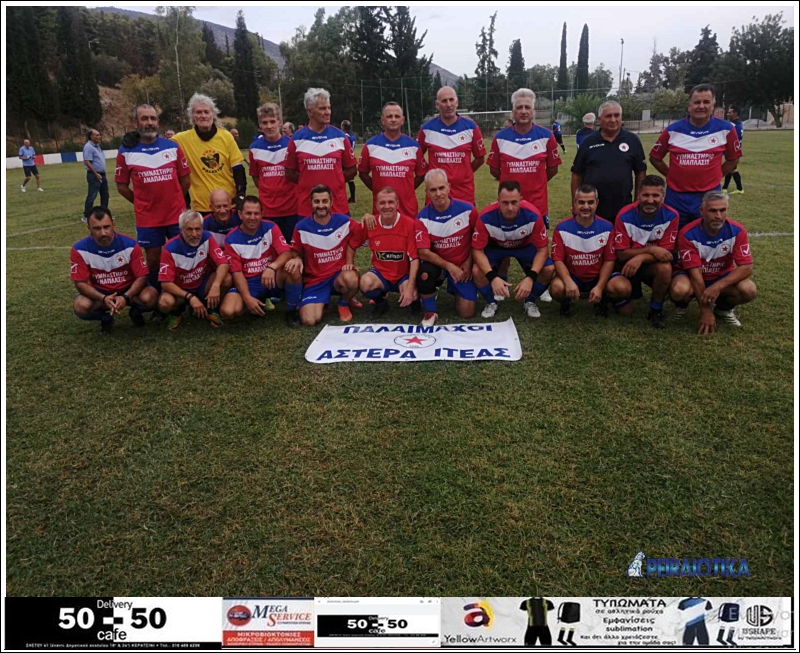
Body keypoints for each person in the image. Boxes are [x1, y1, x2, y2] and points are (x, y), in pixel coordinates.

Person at [116, 103, 192, 293]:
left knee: (181, 255)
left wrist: (174, 199)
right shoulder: (126, 151)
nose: (149, 122)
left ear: (158, 122)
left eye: (153, 118)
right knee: (153, 260)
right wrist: (141, 202)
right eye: (144, 118)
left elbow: (185, 180)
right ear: (136, 122)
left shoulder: (172, 146)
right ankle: (158, 296)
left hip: (176, 215)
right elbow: (121, 186)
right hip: (148, 218)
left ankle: (182, 295)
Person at [649, 83, 742, 229]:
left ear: (713, 105)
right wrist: (671, 174)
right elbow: (655, 157)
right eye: (697, 102)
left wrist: (717, 175)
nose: (701, 106)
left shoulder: (726, 129)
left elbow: (733, 159)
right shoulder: (673, 130)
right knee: (673, 236)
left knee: (706, 236)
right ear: (689, 105)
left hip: (709, 196)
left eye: (706, 102)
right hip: (676, 197)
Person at [669, 190, 757, 333]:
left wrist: (717, 287)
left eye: (723, 210)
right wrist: (705, 311)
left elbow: (746, 267)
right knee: (680, 290)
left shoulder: (737, 230)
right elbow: (695, 275)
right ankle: (682, 306)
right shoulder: (688, 233)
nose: (718, 216)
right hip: (691, 277)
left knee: (749, 290)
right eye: (713, 211)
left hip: (720, 276)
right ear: (702, 211)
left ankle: (723, 309)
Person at [472, 180, 555, 319]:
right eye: (505, 203)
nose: (510, 207)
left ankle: (530, 301)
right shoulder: (486, 216)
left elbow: (542, 250)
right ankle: (491, 302)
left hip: (524, 246)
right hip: (497, 247)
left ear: (520, 200)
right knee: (477, 271)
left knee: (549, 269)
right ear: (498, 201)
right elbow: (477, 251)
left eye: (514, 202)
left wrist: (531, 277)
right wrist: (492, 277)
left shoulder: (533, 215)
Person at [71, 206, 157, 333]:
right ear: (88, 227)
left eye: (106, 227)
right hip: (101, 293)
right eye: (97, 228)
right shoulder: (79, 249)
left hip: (129, 290)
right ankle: (105, 318)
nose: (103, 233)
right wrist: (103, 298)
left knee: (151, 296)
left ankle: (136, 311)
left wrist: (126, 297)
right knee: (81, 306)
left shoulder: (130, 244)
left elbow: (142, 276)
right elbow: (80, 283)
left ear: (113, 224)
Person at [286, 185, 362, 326]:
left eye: (325, 201)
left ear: (331, 202)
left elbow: (362, 232)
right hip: (315, 280)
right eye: (317, 201)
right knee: (309, 320)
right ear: (311, 202)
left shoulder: (344, 221)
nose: (321, 205)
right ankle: (322, 303)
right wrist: (297, 258)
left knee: (351, 278)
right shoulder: (301, 227)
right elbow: (295, 251)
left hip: (338, 275)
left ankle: (343, 303)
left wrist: (369, 217)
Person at [550, 185, 631, 317]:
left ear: (597, 203)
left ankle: (602, 299)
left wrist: (599, 286)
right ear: (575, 203)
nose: (586, 207)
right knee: (556, 288)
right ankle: (567, 302)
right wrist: (568, 281)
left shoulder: (607, 227)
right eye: (581, 202)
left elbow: (609, 260)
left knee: (623, 288)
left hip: (597, 277)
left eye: (590, 202)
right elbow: (558, 260)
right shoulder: (562, 228)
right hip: (574, 276)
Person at [219, 196, 301, 322]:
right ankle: (256, 302)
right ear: (240, 214)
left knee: (292, 267)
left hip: (271, 277)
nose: (252, 217)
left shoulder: (270, 227)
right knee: (228, 311)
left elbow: (286, 253)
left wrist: (272, 267)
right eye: (248, 213)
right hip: (249, 283)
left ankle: (292, 311)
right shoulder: (231, 239)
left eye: (256, 213)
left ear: (262, 214)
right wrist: (247, 298)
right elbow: (237, 273)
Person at [488, 88, 561, 227]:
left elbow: (553, 169)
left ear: (533, 111)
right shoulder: (500, 138)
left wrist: (537, 182)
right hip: (509, 207)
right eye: (519, 107)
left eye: (527, 107)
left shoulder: (546, 136)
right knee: (509, 239)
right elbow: (494, 170)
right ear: (513, 112)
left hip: (538, 205)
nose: (523, 111)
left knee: (538, 240)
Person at [613, 175, 679, 329]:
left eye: (655, 195)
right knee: (626, 311)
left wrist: (641, 257)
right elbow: (621, 254)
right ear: (638, 195)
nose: (650, 200)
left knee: (665, 268)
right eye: (646, 195)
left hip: (650, 265)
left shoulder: (671, 215)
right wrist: (650, 249)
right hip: (627, 266)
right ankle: (618, 295)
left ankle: (656, 309)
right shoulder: (624, 215)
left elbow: (666, 254)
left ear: (663, 196)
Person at [415, 169, 479, 326]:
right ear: (427, 192)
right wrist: (449, 267)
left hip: (462, 264)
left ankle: (455, 287)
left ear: (449, 187)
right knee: (425, 274)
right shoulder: (422, 217)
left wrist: (469, 262)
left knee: (467, 313)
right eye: (433, 190)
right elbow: (423, 253)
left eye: (441, 188)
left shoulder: (468, 210)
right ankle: (430, 311)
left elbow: (477, 240)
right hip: (440, 266)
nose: (438, 194)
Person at [285, 88, 357, 218]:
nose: (328, 112)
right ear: (310, 111)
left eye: (329, 108)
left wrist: (336, 181)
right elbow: (289, 173)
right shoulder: (297, 139)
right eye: (323, 108)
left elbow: (352, 170)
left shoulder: (340, 136)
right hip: (307, 209)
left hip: (338, 207)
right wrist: (307, 182)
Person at [347, 187, 419, 318]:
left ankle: (415, 303)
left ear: (397, 204)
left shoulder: (409, 224)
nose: (386, 206)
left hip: (403, 275)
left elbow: (414, 259)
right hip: (381, 274)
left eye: (390, 202)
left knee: (413, 292)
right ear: (376, 205)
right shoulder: (371, 223)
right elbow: (352, 244)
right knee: (365, 283)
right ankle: (381, 303)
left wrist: (409, 288)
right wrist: (349, 264)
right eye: (382, 203)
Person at [571, 100, 646, 223]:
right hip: (592, 208)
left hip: (623, 206)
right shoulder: (588, 142)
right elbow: (576, 174)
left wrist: (638, 200)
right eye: (608, 116)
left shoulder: (632, 140)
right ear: (599, 120)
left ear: (621, 117)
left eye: (617, 115)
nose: (613, 120)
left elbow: (640, 172)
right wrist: (575, 203)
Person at [172, 93, 247, 213]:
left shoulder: (226, 136)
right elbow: (160, 145)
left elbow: (238, 169)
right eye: (198, 112)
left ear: (213, 114)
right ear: (192, 116)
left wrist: (241, 194)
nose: (203, 116)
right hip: (201, 208)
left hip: (228, 205)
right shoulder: (181, 139)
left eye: (206, 112)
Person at [157, 210, 231, 331]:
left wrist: (216, 286)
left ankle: (212, 309)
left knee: (226, 278)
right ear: (181, 230)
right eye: (189, 229)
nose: (194, 234)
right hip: (181, 290)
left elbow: (223, 263)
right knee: (165, 302)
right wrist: (191, 297)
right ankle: (176, 313)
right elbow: (165, 283)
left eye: (198, 229)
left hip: (202, 284)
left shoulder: (207, 237)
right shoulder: (169, 248)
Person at [358, 102, 427, 221]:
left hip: (408, 212)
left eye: (397, 116)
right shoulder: (371, 145)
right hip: (381, 212)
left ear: (402, 120)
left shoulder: (414, 146)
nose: (393, 119)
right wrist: (377, 189)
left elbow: (421, 174)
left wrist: (408, 189)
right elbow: (362, 173)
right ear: (383, 120)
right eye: (389, 116)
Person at [418, 86, 485, 205]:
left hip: (464, 194)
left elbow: (480, 158)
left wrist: (465, 172)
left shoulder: (470, 127)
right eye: (444, 101)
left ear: (457, 102)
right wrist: (429, 172)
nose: (448, 104)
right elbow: (417, 156)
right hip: (436, 195)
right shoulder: (427, 129)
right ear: (437, 105)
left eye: (451, 100)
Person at [249, 103, 298, 242]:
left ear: (280, 122)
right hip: (268, 210)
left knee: (293, 249)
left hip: (292, 209)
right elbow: (256, 177)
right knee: (272, 249)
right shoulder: (254, 149)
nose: (269, 126)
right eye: (265, 123)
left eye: (272, 121)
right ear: (260, 125)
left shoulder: (292, 145)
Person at [82, 129, 109, 223]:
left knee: (105, 195)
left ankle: (104, 214)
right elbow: (87, 162)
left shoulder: (97, 146)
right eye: (97, 135)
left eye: (99, 135)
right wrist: (95, 173)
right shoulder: (88, 147)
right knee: (92, 196)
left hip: (102, 174)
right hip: (94, 175)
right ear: (91, 136)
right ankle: (86, 216)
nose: (99, 137)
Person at [723, 106, 744, 195]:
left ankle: (740, 188)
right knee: (730, 167)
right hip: (736, 149)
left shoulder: (733, 125)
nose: (728, 114)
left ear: (735, 113)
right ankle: (724, 188)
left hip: (733, 150)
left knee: (732, 169)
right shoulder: (739, 123)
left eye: (730, 112)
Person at [341, 120, 357, 203]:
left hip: (345, 158)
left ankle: (344, 197)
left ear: (343, 126)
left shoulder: (345, 135)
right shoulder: (353, 135)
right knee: (351, 179)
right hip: (351, 157)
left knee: (342, 178)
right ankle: (353, 198)